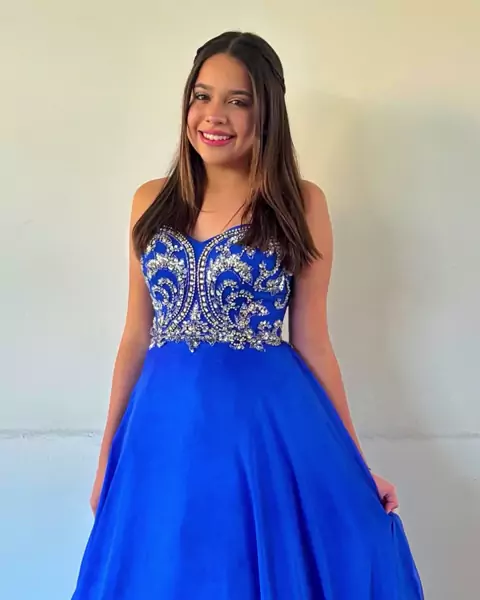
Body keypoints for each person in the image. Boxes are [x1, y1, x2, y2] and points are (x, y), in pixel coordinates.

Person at [71, 31, 424, 599]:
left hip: (262, 434)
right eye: (202, 96)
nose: (214, 115)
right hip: (162, 432)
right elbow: (135, 336)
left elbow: (313, 340)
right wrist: (106, 461)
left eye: (238, 101)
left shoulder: (300, 203)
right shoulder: (150, 201)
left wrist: (356, 464)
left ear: (267, 112)